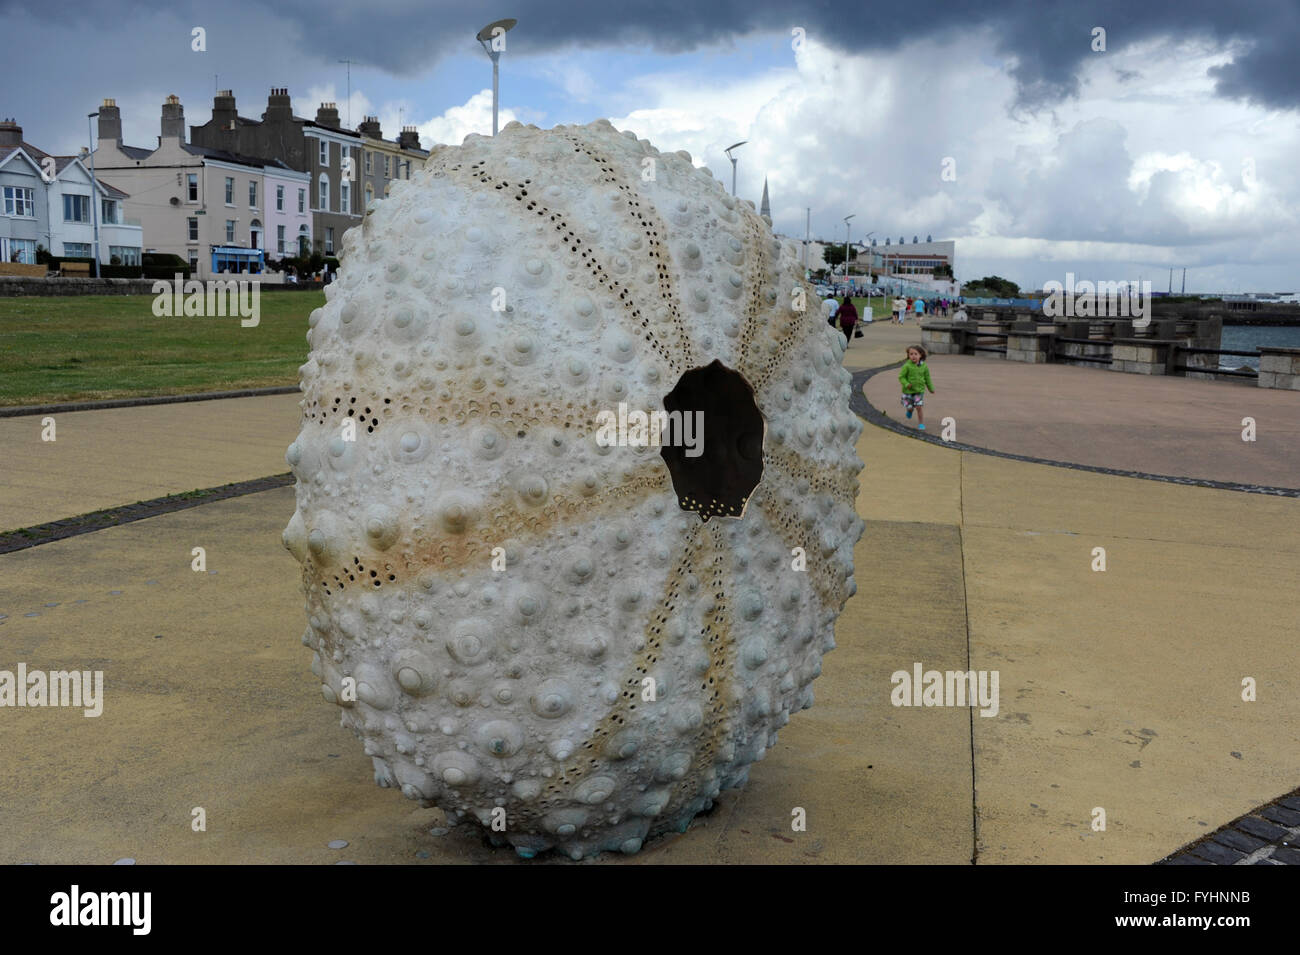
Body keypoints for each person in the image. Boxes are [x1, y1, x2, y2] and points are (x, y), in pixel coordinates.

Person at [898, 344, 936, 430]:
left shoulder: (924, 366)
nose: (913, 356)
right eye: (911, 354)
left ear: (920, 355)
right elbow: (901, 377)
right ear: (908, 355)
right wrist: (906, 384)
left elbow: (927, 378)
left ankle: (921, 423)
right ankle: (909, 411)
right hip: (908, 391)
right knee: (910, 407)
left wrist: (931, 388)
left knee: (919, 407)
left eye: (916, 354)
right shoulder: (907, 366)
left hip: (919, 391)